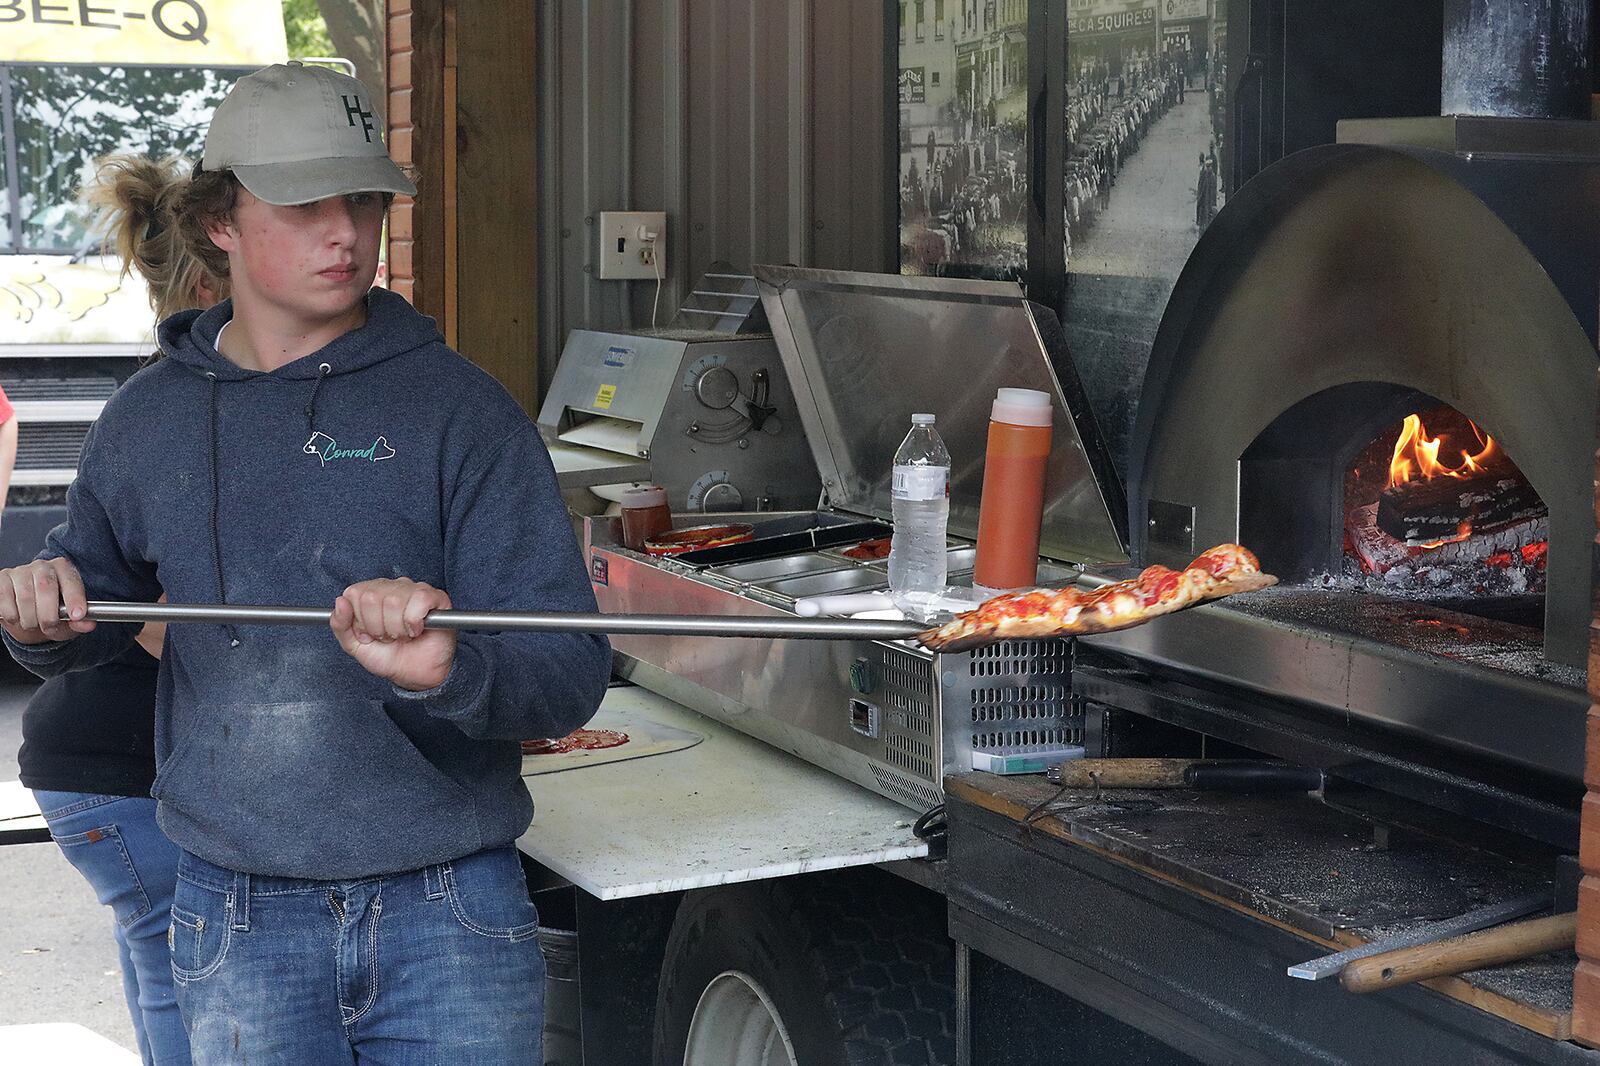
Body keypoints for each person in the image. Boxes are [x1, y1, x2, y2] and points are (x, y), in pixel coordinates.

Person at [0, 62, 610, 1065]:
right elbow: (81, 614)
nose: (348, 232)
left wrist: (455, 667)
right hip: (234, 917)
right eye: (306, 203)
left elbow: (567, 676)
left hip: (448, 909)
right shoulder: (147, 419)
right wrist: (39, 621)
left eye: (364, 200)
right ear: (219, 222)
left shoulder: (463, 413)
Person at [18, 154, 219, 1066]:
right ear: (220, 277)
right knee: (191, 997)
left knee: (160, 979)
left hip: (84, 761)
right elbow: (162, 615)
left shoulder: (166, 400)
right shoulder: (176, 414)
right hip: (119, 766)